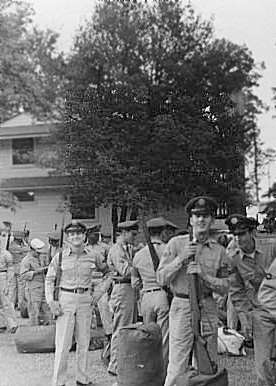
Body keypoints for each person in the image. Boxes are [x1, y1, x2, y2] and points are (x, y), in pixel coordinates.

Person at [157, 196, 231, 386]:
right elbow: (161, 278)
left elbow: (225, 287)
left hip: (207, 307)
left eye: (206, 216)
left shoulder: (219, 251)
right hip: (182, 305)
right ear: (190, 220)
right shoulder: (176, 244)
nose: (201, 220)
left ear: (212, 220)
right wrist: (181, 259)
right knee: (177, 364)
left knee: (207, 362)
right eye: (196, 216)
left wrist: (204, 276)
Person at [45, 220, 106, 386]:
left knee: (84, 341)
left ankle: (82, 378)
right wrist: (51, 301)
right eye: (72, 234)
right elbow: (49, 279)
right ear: (67, 238)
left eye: (78, 233)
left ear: (84, 235)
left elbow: (109, 273)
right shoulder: (59, 257)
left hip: (86, 299)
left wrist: (98, 293)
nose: (75, 236)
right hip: (66, 299)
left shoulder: (93, 255)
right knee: (63, 343)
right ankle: (59, 381)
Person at [131, 217, 175, 378]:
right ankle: (162, 373)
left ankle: (148, 371)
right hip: (163, 295)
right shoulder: (168, 250)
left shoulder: (138, 255)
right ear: (163, 232)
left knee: (148, 337)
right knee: (164, 337)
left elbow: (135, 282)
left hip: (146, 298)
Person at [225, 214, 276, 342]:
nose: (238, 239)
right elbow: (236, 291)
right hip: (259, 310)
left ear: (252, 232)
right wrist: (245, 316)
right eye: (234, 235)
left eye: (242, 234)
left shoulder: (272, 247)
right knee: (264, 358)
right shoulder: (233, 259)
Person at [107, 220, 139, 376]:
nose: (135, 237)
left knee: (129, 327)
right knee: (121, 327)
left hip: (129, 289)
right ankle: (115, 364)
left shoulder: (127, 249)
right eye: (133, 234)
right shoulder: (117, 250)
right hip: (122, 289)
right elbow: (126, 271)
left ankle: (123, 362)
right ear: (124, 233)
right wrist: (140, 263)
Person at [20, 238, 48, 325]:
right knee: (34, 312)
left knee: (45, 310)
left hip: (42, 287)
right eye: (37, 252)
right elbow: (23, 275)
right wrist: (36, 272)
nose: (39, 254)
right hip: (33, 289)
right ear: (31, 250)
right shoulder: (26, 260)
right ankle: (34, 330)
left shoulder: (39, 258)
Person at [0, 225, 18, 333]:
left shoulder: (6, 254)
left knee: (6, 302)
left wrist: (8, 282)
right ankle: (1, 324)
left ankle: (12, 324)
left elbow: (10, 268)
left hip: (2, 276)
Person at [8, 230, 29, 309]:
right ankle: (20, 304)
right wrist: (26, 241)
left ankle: (12, 304)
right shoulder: (17, 247)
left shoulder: (11, 245)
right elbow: (27, 250)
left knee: (13, 287)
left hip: (13, 268)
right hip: (20, 268)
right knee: (20, 287)